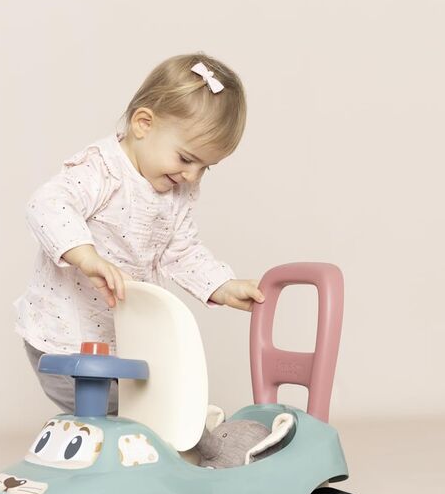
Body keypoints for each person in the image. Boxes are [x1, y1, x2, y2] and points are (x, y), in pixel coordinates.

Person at [14, 53, 263, 415]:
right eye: (186, 159)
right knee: (120, 411)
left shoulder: (177, 191)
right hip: (63, 338)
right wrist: (86, 257)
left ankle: (179, 437)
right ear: (143, 124)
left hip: (122, 338)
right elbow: (47, 204)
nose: (192, 175)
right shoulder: (103, 170)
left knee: (152, 404)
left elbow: (181, 251)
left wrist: (222, 286)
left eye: (206, 167)